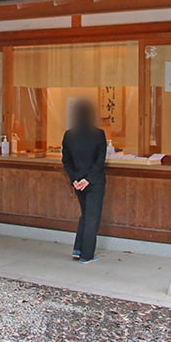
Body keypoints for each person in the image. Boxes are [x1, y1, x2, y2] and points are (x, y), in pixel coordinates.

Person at [62, 99, 107, 264]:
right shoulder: (98, 134)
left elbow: (66, 160)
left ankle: (77, 249)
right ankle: (87, 255)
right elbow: (100, 161)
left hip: (77, 182)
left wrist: (75, 179)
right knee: (92, 217)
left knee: (86, 214)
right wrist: (88, 179)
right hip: (94, 182)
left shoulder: (69, 135)